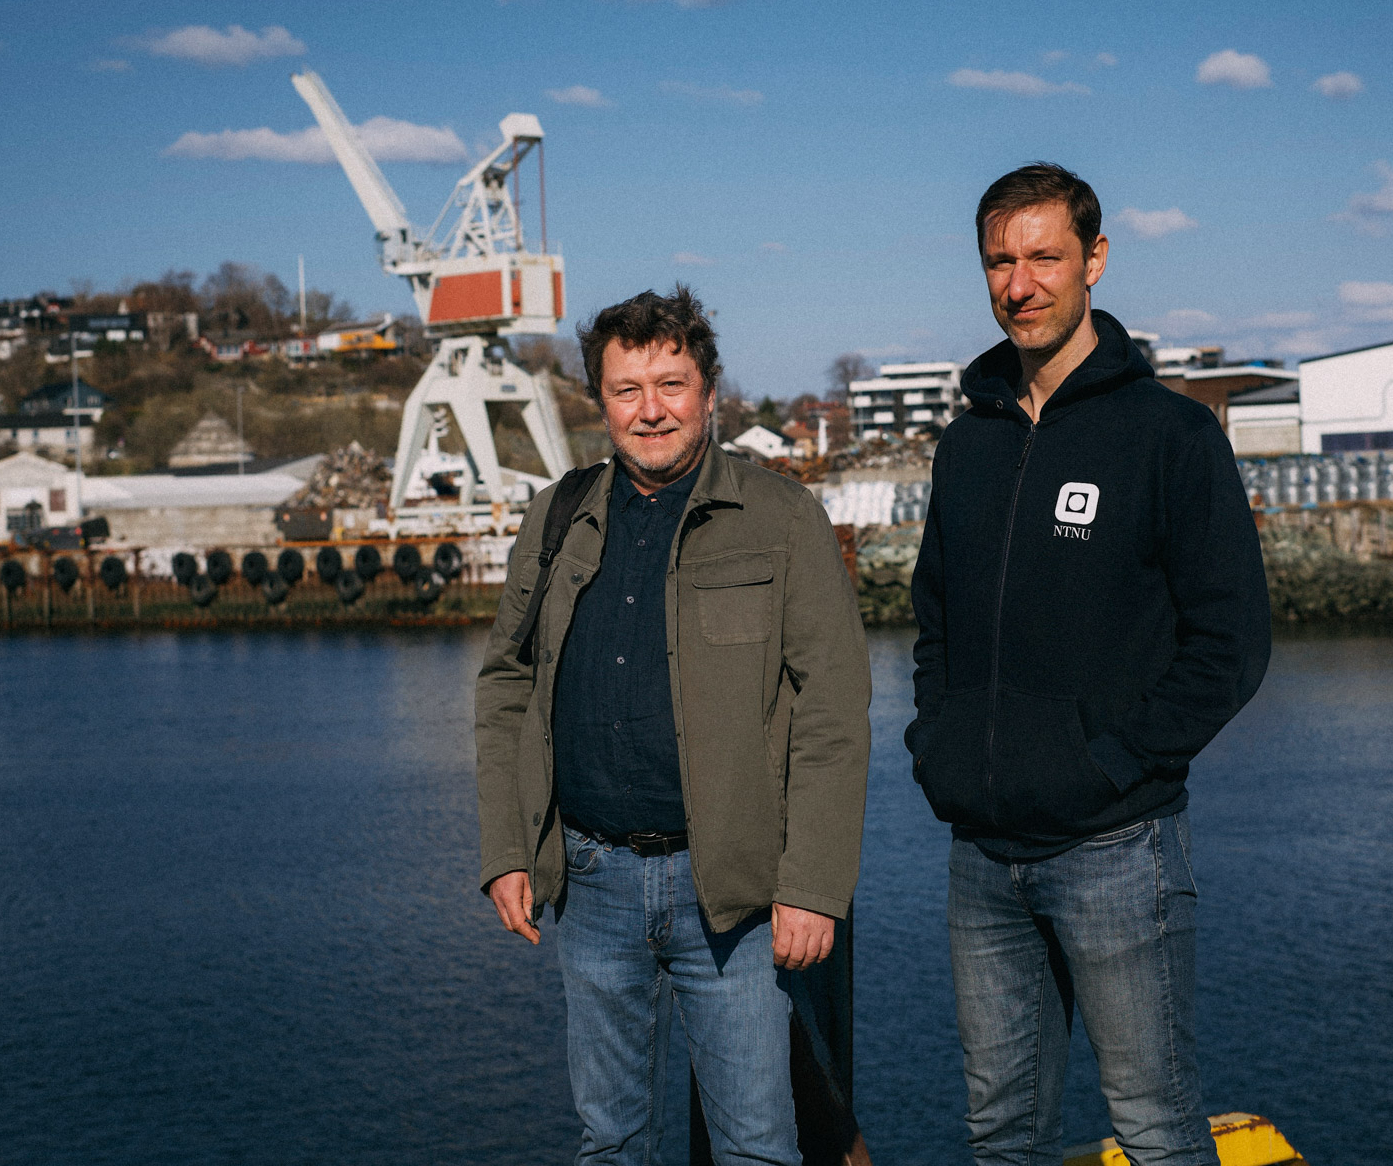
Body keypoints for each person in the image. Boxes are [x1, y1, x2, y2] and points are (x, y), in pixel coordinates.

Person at [908, 164, 1272, 1166]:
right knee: (1000, 1136)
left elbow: (1231, 644)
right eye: (1000, 260)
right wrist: (937, 746)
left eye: (1044, 257)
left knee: (1155, 1128)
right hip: (981, 853)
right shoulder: (965, 444)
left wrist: (1113, 764)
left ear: (1094, 261)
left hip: (1116, 848)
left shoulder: (1170, 435)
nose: (1019, 283)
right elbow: (932, 618)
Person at [474, 284, 871, 1165]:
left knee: (757, 1147)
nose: (650, 410)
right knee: (609, 1142)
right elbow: (506, 683)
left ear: (709, 392)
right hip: (589, 884)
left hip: (728, 894)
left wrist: (812, 885)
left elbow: (835, 715)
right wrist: (507, 847)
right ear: (600, 401)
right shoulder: (555, 517)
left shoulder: (781, 519)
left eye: (671, 384)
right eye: (627, 390)